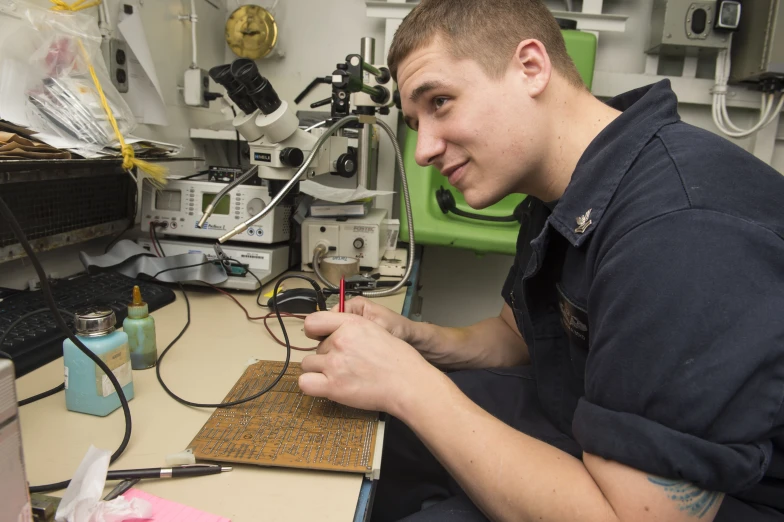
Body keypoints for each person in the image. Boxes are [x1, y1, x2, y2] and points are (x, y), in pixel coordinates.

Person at [298, 0, 784, 520]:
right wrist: (413, 340)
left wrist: (407, 382)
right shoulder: (571, 185)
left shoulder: (683, 229)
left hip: (703, 502)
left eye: (439, 101)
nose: (424, 149)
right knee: (364, 424)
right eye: (416, 122)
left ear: (530, 67)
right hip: (581, 423)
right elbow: (520, 339)